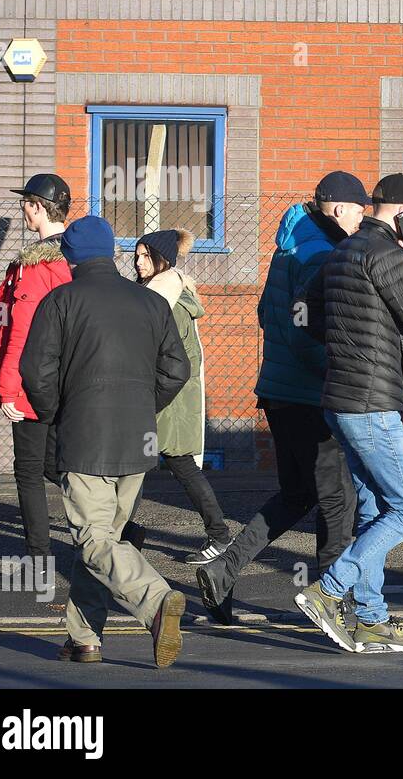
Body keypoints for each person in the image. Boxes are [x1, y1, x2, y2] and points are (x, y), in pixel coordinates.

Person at [20, 215, 191, 666]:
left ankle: (155, 600)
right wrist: (143, 403)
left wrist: (58, 413)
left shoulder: (59, 302)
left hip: (83, 438)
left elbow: (35, 374)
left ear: (69, 256)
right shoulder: (150, 302)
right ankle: (85, 638)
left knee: (95, 542)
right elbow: (177, 370)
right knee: (103, 543)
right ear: (112, 252)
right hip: (138, 440)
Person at [196, 172, 364, 624]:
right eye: (358, 210)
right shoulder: (317, 251)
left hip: (279, 390)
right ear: (339, 208)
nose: (361, 220)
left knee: (296, 494)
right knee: (337, 499)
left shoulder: (291, 241)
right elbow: (302, 327)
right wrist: (333, 369)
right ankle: (333, 603)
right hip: (309, 394)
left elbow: (268, 315)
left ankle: (222, 570)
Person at [294, 174, 403, 653]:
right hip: (372, 404)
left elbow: (306, 311)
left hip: (341, 398)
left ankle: (372, 620)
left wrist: (345, 348)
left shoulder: (343, 251)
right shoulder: (387, 253)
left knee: (376, 509)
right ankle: (327, 592)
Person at [0, 174, 72, 562]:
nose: (22, 209)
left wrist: (6, 389)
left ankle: (37, 555)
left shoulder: (35, 267)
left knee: (29, 471)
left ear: (37, 206)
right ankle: (119, 529)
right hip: (68, 379)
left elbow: (18, 333)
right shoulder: (79, 259)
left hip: (32, 381)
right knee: (58, 464)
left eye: (25, 203)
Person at [133, 228, 233, 564]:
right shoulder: (154, 293)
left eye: (146, 255)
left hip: (169, 397)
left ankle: (219, 535)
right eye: (137, 254)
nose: (138, 261)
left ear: (162, 260)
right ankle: (126, 534)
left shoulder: (167, 301)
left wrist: (151, 396)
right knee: (137, 461)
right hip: (159, 393)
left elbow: (177, 361)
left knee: (179, 464)